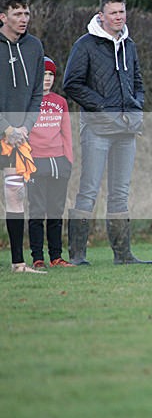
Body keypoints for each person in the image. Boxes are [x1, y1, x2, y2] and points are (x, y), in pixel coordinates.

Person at [63, 0, 152, 265]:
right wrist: (103, 108)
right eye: (113, 12)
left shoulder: (130, 45)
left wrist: (136, 107)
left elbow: (137, 81)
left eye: (122, 12)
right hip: (97, 129)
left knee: (120, 193)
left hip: (126, 132)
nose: (119, 17)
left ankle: (123, 255)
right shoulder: (85, 45)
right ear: (101, 15)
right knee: (88, 190)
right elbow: (72, 84)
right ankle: (77, 255)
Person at [0, 0, 45, 273]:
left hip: (17, 137)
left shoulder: (34, 47)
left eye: (26, 14)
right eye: (17, 14)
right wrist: (4, 127)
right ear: (3, 17)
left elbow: (38, 93)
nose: (23, 19)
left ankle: (18, 263)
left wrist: (24, 128)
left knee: (15, 194)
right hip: (4, 129)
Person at [28, 56, 76, 268]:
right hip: (35, 161)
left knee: (56, 212)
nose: (47, 79)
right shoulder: (27, 101)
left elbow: (67, 134)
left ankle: (56, 256)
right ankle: (37, 258)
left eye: (50, 75)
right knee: (37, 211)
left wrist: (68, 161)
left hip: (58, 163)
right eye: (43, 75)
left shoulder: (60, 102)